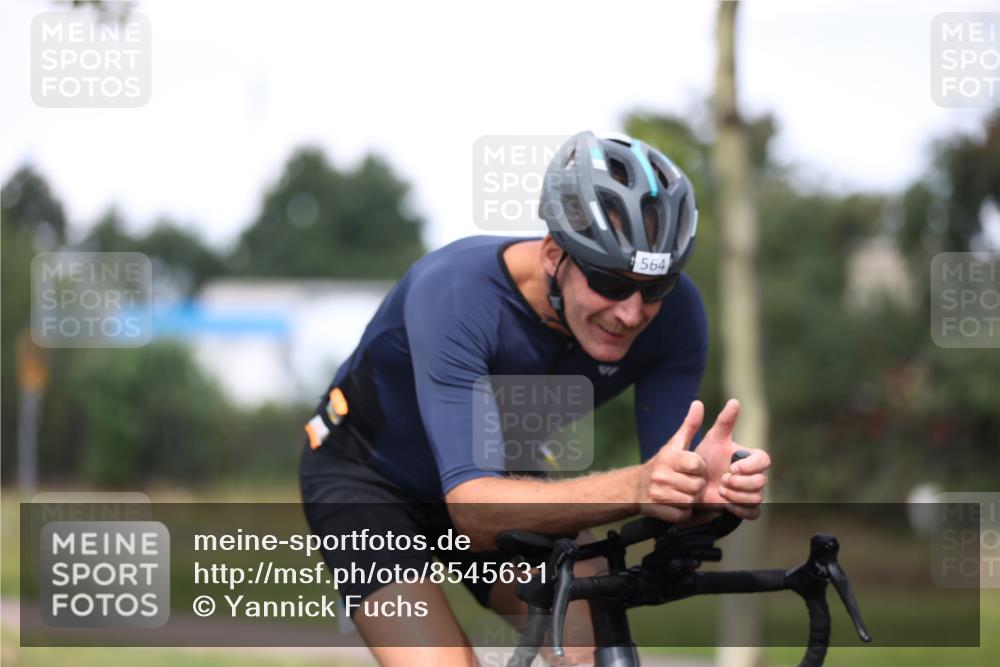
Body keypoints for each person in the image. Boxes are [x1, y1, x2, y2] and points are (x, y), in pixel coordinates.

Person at [299, 130, 771, 666]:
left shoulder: (677, 315)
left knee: (595, 654)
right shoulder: (457, 292)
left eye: (654, 289)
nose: (632, 312)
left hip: (506, 475)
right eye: (611, 283)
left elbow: (668, 472)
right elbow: (473, 512)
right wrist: (639, 485)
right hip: (370, 482)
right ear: (554, 255)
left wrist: (707, 488)